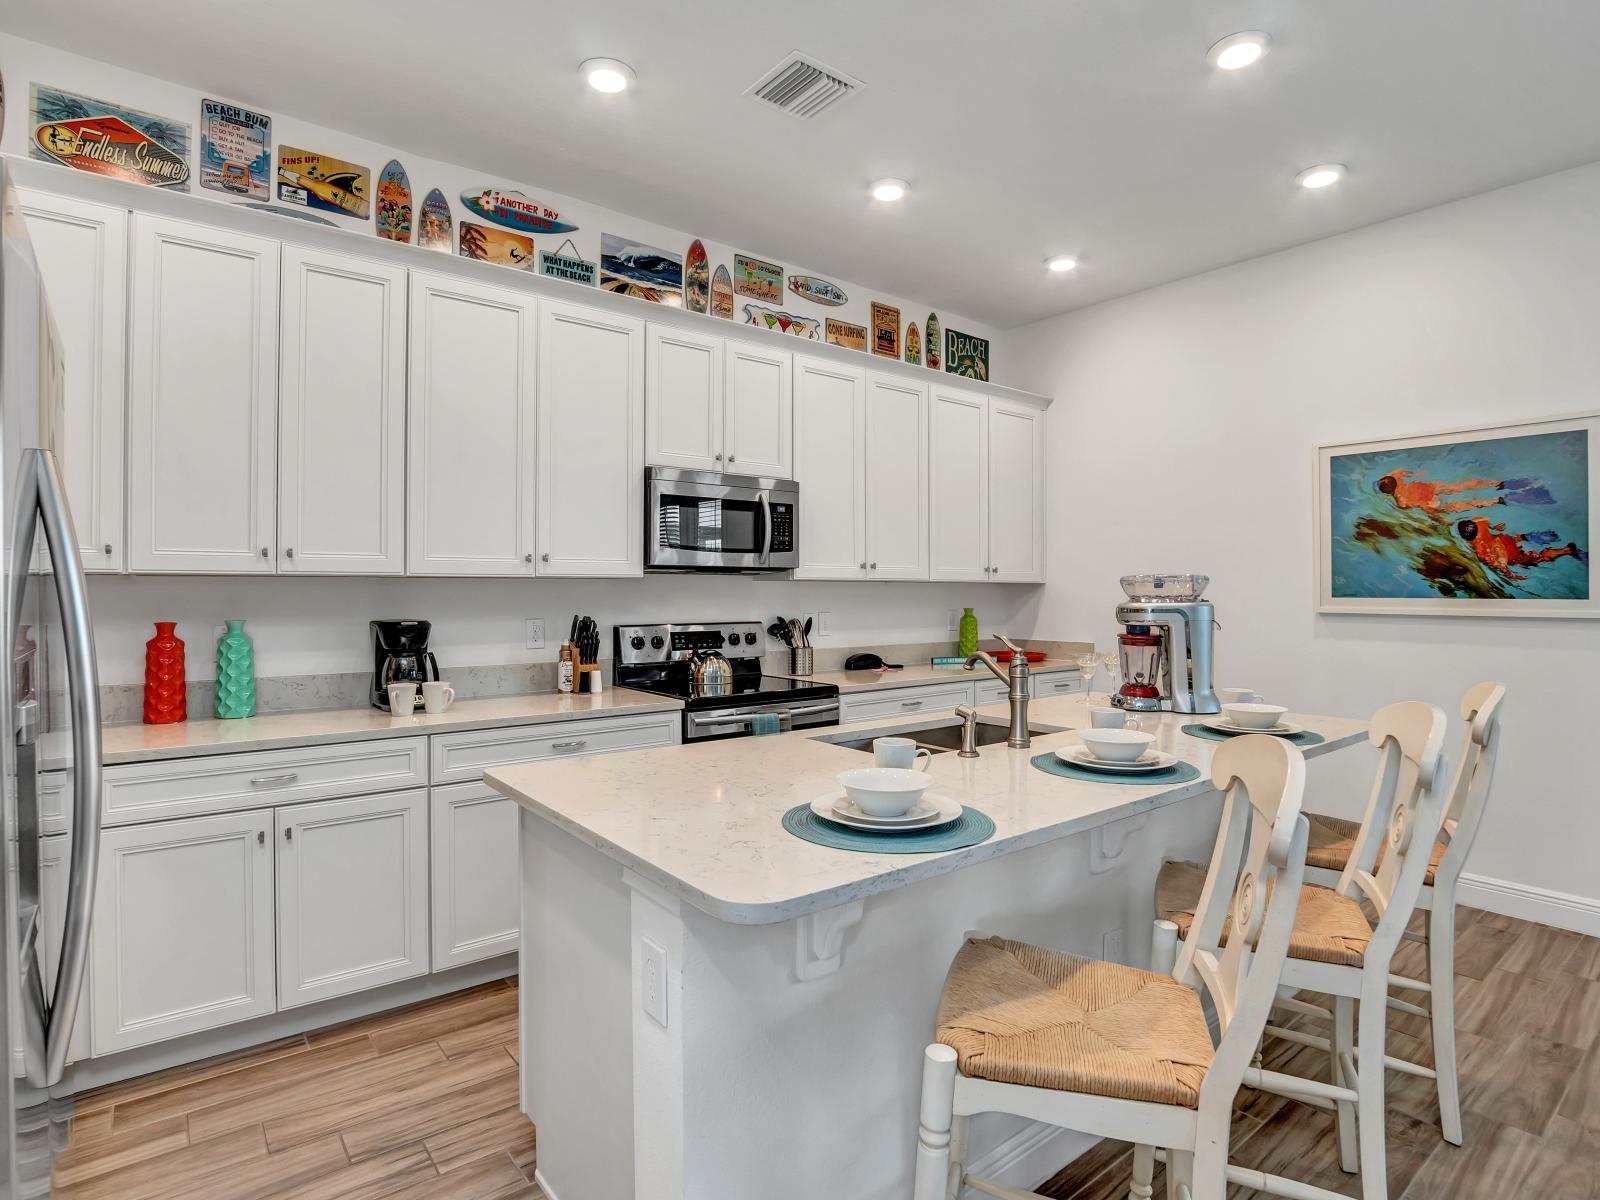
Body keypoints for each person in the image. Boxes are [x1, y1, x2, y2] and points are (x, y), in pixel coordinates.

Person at [1454, 517, 1588, 582]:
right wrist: (1496, 527)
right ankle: (1532, 537)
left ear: (1466, 538)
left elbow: (1498, 563)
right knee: (1518, 538)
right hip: (1504, 539)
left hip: (1506, 554)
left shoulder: (1479, 548)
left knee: (1536, 559)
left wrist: (1512, 575)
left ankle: (1566, 550)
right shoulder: (1479, 521)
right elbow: (1489, 523)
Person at [1375, 469, 1551, 514]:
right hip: (1430, 487)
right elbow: (1401, 471)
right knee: (1463, 485)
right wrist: (1413, 474)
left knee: (1456, 506)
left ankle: (1496, 501)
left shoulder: (1400, 500)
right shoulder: (1396, 476)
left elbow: (1412, 507)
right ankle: (1499, 483)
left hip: (1430, 501)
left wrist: (1438, 516)